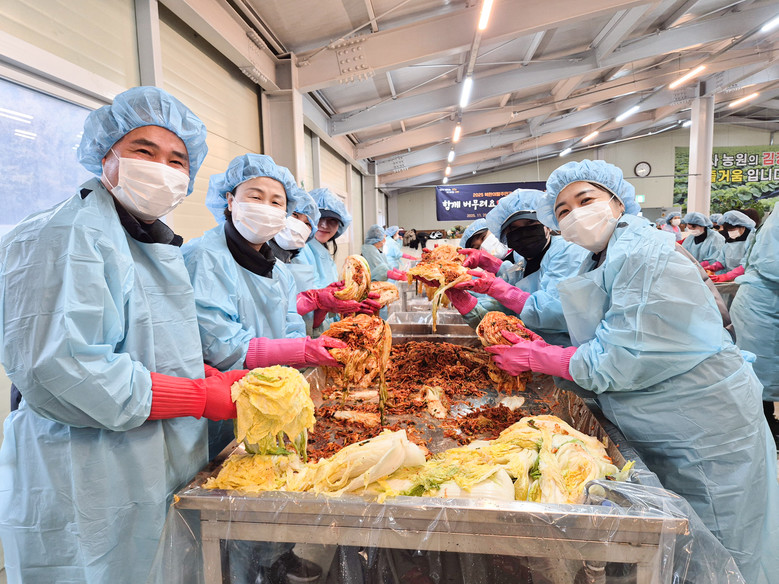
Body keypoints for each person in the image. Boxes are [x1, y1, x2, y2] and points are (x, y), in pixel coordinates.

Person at [0, 87, 251, 584]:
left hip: (148, 458)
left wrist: (200, 373)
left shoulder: (144, 238)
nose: (162, 168)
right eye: (144, 150)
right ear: (106, 155)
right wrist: (197, 395)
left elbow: (147, 339)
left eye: (177, 160)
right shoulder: (68, 233)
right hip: (86, 467)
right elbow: (67, 369)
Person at [484, 159, 778, 583]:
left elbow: (623, 356)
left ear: (618, 201)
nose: (575, 214)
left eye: (585, 199)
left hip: (703, 424)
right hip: (664, 414)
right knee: (686, 540)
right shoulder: (602, 256)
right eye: (563, 210)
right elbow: (582, 316)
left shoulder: (644, 252)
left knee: (723, 544)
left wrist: (540, 357)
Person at [184, 153, 346, 584]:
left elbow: (291, 324)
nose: (266, 208)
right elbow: (222, 347)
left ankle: (275, 557)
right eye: (254, 196)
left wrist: (303, 348)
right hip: (222, 399)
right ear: (229, 200)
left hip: (270, 397)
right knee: (230, 496)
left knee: (272, 479)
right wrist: (302, 351)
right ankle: (240, 572)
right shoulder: (206, 257)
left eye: (277, 202)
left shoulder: (275, 268)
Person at [445, 189, 589, 345]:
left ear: (547, 224)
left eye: (530, 223)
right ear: (505, 236)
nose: (524, 233)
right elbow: (502, 318)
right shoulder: (521, 266)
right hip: (528, 353)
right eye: (513, 229)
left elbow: (559, 312)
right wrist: (464, 301)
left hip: (567, 352)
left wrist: (502, 290)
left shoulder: (569, 253)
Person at [729, 210, 779, 446]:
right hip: (760, 310)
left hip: (767, 305)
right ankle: (764, 431)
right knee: (760, 374)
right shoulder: (775, 227)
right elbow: (773, 266)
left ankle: (767, 428)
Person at [703, 210, 756, 274]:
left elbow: (747, 265)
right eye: (729, 230)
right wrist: (712, 267)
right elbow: (722, 261)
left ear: (743, 227)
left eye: (732, 230)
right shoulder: (729, 242)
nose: (730, 233)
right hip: (732, 277)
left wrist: (728, 276)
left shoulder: (752, 241)